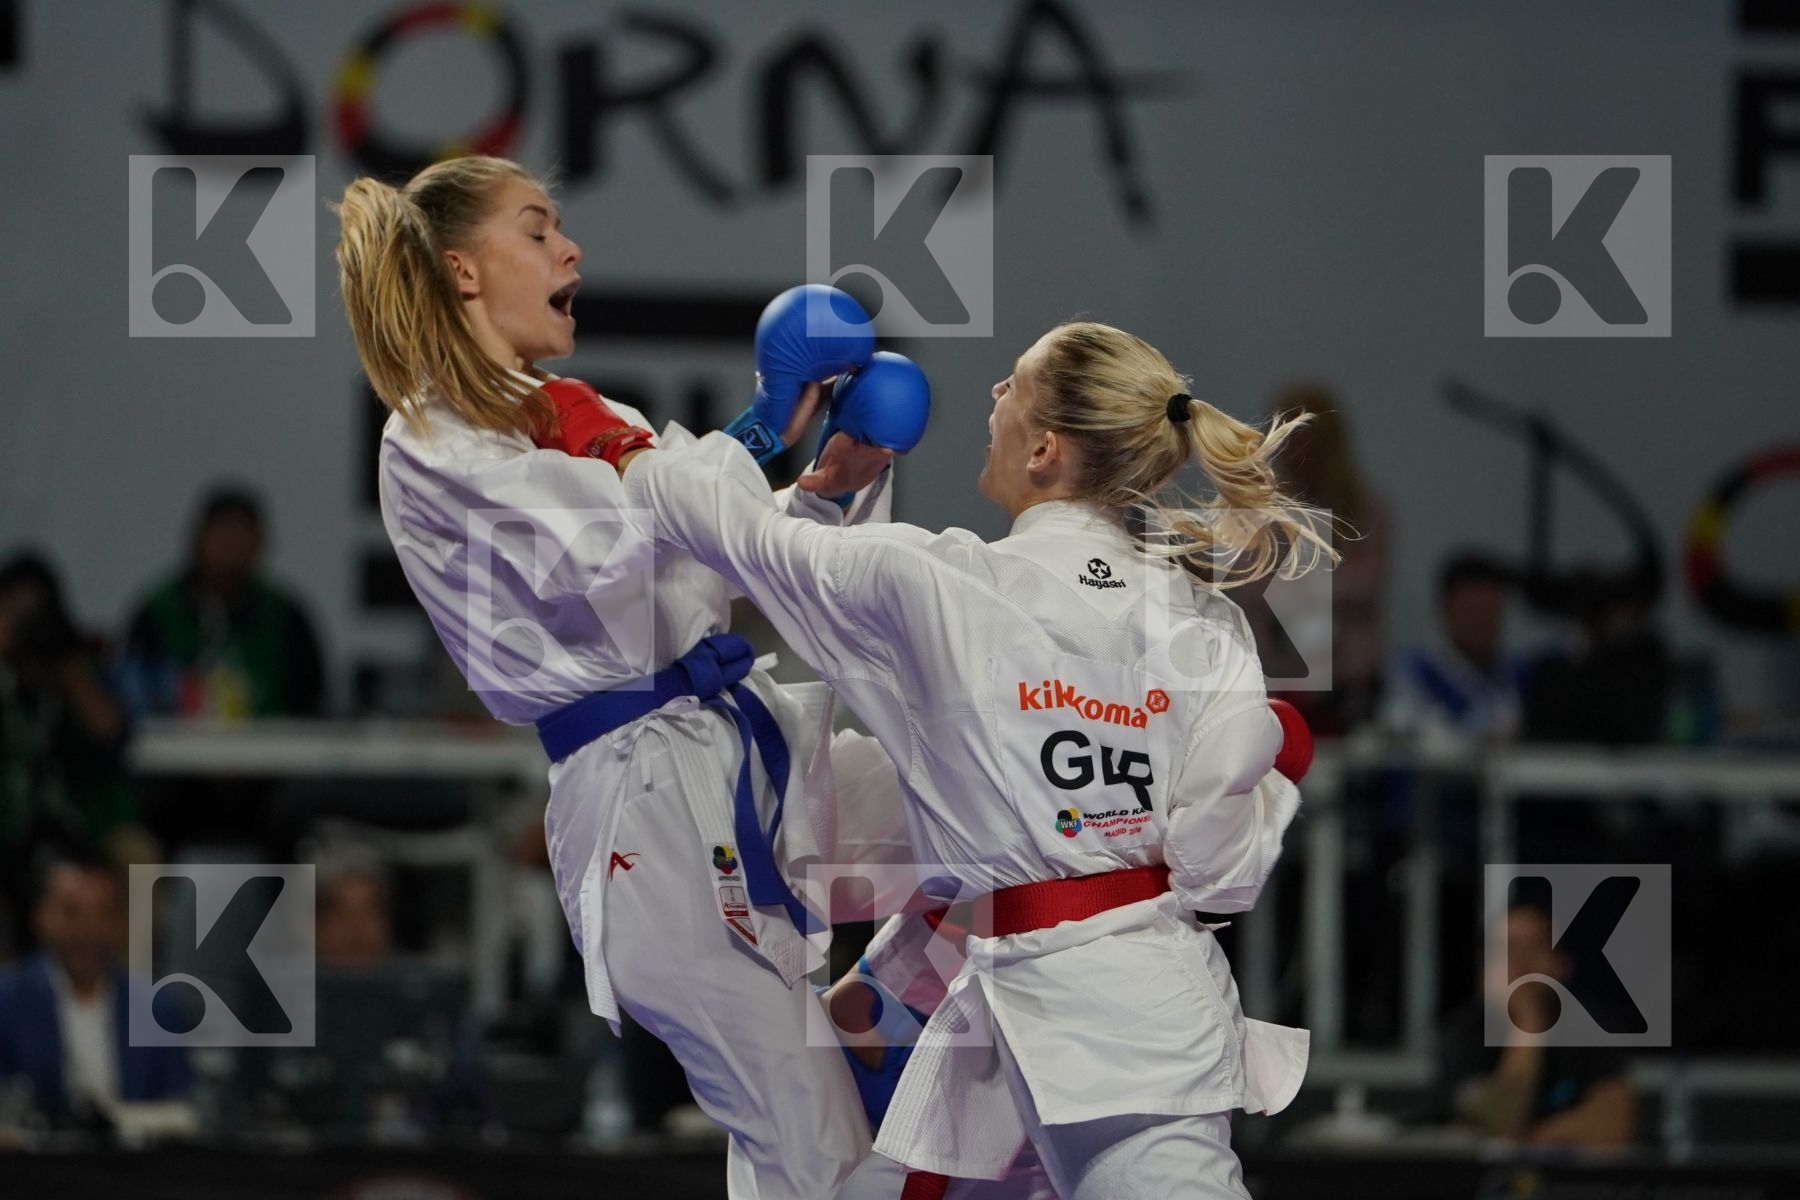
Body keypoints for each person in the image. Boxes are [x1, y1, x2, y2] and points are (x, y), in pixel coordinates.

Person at [334, 154, 957, 1200]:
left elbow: (718, 560)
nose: (569, 249)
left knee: (993, 801)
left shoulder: (579, 407)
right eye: (536, 230)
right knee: (818, 1158)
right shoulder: (428, 436)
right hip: (646, 818)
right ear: (464, 271)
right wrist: (755, 423)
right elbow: (599, 544)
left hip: (733, 748)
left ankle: (878, 1001)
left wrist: (819, 487)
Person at [608, 321, 1329, 1198]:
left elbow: (731, 531)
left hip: (1102, 1026)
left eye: (1010, 386)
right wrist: (1261, 798)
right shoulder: (1207, 624)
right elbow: (1221, 885)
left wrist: (623, 443)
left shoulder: (942, 583)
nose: (991, 398)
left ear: (1044, 449)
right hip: (1086, 1004)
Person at [0, 553, 135, 953]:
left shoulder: (78, 667)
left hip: (77, 825)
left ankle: (134, 1004)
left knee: (136, 855)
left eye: (37, 614)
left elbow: (111, 732)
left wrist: (70, 671)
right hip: (7, 832)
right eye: (16, 613)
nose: (29, 627)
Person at [0, 853, 192, 1129]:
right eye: (71, 912)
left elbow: (180, 1109)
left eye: (103, 914)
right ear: (41, 916)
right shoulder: (7, 1001)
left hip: (137, 1165)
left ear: (123, 920)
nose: (88, 930)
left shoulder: (159, 1008)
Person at [1434, 903, 1637, 1147]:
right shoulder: (1465, 1030)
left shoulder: (1591, 1025)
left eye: (1535, 948)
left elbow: (1614, 1128)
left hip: (1567, 1181)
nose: (1521, 964)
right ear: (1486, 969)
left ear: (1561, 964)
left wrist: (1524, 1139)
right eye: (1508, 950)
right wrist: (1528, 1026)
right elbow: (1499, 1119)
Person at [121, 486, 325, 720]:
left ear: (260, 543)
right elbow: (130, 697)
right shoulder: (157, 613)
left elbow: (311, 705)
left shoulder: (286, 617)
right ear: (198, 537)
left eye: (242, 534)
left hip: (267, 752)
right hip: (172, 751)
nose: (231, 546)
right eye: (222, 532)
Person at [1384, 552, 1525, 746]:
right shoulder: (1413, 670)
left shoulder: (1518, 676)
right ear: (1444, 611)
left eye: (1489, 612)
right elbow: (1409, 732)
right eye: (1470, 612)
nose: (1480, 623)